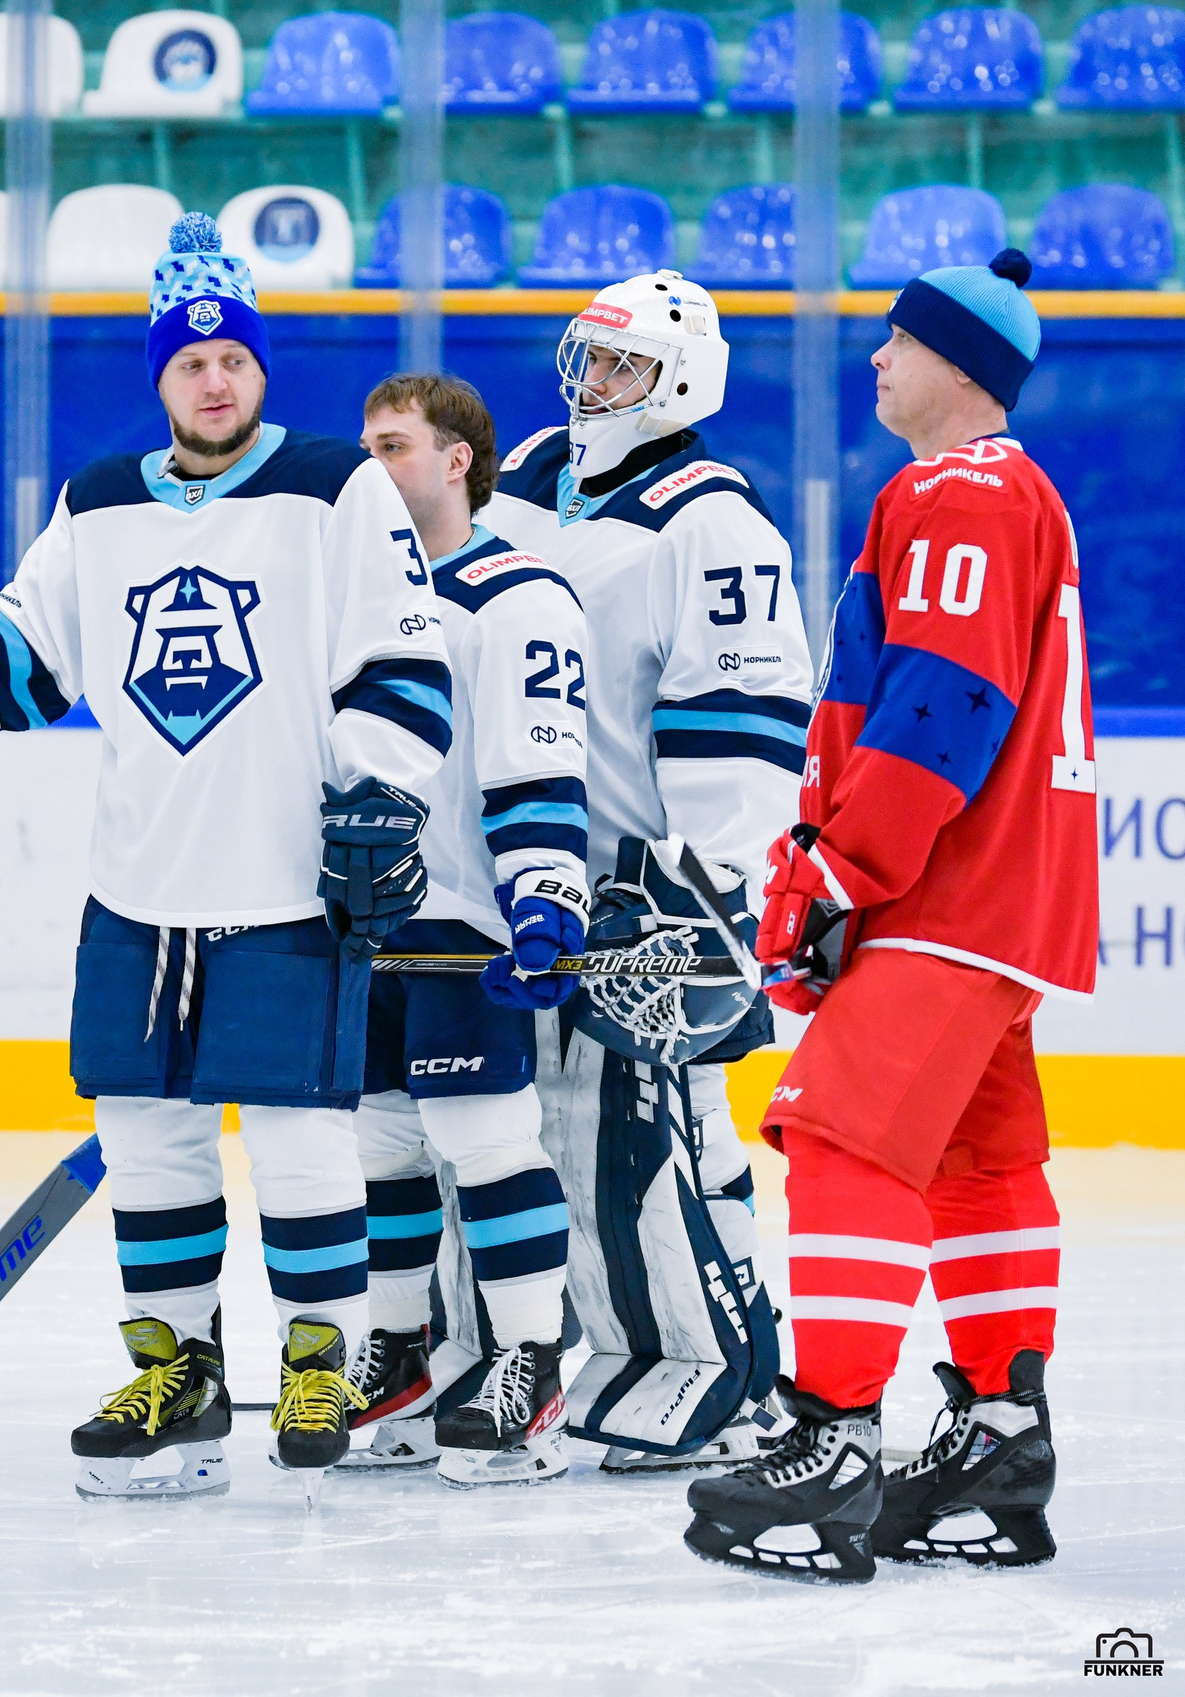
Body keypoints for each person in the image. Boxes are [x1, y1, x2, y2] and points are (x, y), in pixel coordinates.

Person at [0, 214, 453, 1499]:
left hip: (284, 879)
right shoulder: (97, 501)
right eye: (190, 361)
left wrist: (379, 793)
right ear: (160, 375)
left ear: (261, 367)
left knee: (303, 1137)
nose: (215, 377)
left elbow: (401, 657)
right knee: (149, 1142)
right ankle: (180, 1373)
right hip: (137, 884)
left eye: (235, 359)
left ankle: (317, 1359)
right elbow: (29, 654)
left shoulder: (334, 487)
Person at [685, 251, 1087, 1584]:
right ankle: (999, 1432)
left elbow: (943, 704)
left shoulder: (960, 491)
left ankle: (834, 1442)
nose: (877, 361)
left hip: (943, 888)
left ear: (963, 369)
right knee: (980, 1160)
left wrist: (841, 867)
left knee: (844, 1132)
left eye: (901, 343)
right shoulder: (1005, 495)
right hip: (1001, 895)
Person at [481, 270, 812, 1471]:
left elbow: (750, 716)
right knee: (531, 1133)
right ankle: (574, 1350)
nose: (593, 386)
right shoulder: (520, 473)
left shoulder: (712, 518)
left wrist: (707, 885)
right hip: (520, 865)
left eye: (620, 366)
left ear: (679, 381)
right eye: (585, 359)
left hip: (635, 879)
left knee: (644, 1131)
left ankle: (706, 1367)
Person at [344, 375, 591, 1487]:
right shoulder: (345, 593)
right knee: (381, 1149)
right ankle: (399, 1353)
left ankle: (528, 1361)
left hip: (459, 921)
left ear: (459, 461)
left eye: (393, 445)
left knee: (486, 1141)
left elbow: (537, 765)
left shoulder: (518, 595)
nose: (370, 465)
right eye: (363, 446)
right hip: (361, 921)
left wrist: (545, 893)